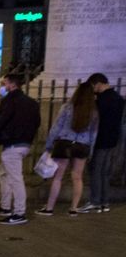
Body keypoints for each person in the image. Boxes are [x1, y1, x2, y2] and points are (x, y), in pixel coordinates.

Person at [0, 73, 40, 225]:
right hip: (24, 144)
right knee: (3, 172)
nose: (3, 87)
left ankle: (19, 212)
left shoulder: (10, 101)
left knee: (15, 178)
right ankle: (5, 206)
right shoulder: (32, 103)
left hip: (12, 144)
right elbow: (37, 122)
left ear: (12, 85)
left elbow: (0, 121)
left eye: (5, 83)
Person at [38, 80, 98, 217]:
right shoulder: (94, 112)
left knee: (58, 177)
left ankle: (49, 208)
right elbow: (93, 134)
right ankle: (73, 208)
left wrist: (48, 144)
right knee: (77, 177)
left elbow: (56, 127)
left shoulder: (67, 107)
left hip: (64, 143)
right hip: (82, 145)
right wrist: (91, 151)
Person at [86, 72, 122, 212]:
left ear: (98, 84)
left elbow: (95, 121)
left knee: (95, 170)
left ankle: (95, 201)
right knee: (105, 171)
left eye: (93, 86)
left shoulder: (101, 100)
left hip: (100, 139)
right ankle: (104, 202)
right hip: (113, 140)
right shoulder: (118, 98)